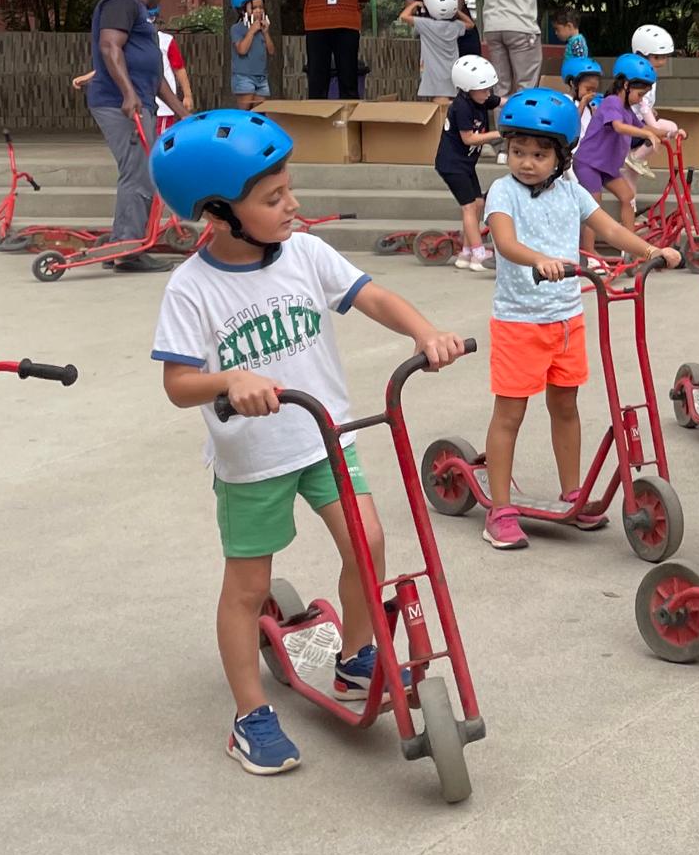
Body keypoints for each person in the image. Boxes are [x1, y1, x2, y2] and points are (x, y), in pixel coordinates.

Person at [148, 111, 466, 777]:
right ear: (217, 214)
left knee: (368, 543)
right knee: (248, 587)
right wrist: (228, 380)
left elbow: (372, 296)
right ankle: (250, 714)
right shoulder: (192, 288)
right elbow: (178, 384)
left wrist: (424, 331)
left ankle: (355, 658)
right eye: (273, 198)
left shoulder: (306, 253)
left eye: (288, 188)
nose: (291, 204)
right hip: (254, 461)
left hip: (328, 437)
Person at [476, 89, 680, 550]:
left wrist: (653, 250)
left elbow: (610, 229)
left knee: (566, 408)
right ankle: (500, 509)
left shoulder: (571, 192)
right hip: (519, 322)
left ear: (561, 156)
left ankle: (572, 493)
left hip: (567, 320)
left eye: (539, 154)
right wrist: (539, 259)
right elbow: (505, 241)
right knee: (510, 414)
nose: (527, 162)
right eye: (518, 151)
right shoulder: (503, 191)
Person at [85, 0, 172, 268]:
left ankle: (123, 244)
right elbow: (110, 46)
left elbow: (155, 77)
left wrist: (184, 113)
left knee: (142, 171)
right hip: (119, 102)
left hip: (138, 100)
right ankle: (128, 250)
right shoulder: (122, 1)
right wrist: (128, 93)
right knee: (138, 173)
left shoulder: (138, 12)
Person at [574, 52, 668, 227]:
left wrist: (670, 134)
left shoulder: (626, 109)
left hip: (606, 166)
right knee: (593, 207)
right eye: (640, 94)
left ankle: (630, 241)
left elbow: (644, 128)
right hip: (589, 163)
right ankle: (587, 245)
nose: (640, 100)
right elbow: (618, 126)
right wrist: (648, 135)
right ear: (626, 85)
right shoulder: (612, 102)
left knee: (627, 197)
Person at [435, 54, 502, 271]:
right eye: (484, 90)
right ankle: (479, 254)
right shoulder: (461, 106)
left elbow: (503, 101)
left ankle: (465, 254)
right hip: (452, 165)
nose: (488, 94)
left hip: (466, 164)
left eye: (489, 89)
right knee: (469, 207)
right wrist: (500, 133)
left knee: (479, 203)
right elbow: (469, 138)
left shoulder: (480, 97)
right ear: (467, 88)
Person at [625, 23, 686, 179]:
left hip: (639, 121)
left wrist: (651, 112)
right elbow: (642, 105)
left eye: (664, 57)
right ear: (641, 55)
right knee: (663, 130)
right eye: (657, 57)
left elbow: (645, 105)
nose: (662, 62)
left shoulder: (650, 74)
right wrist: (654, 127)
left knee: (670, 127)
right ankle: (636, 157)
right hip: (633, 125)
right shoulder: (641, 77)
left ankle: (637, 158)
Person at [403, 0, 480, 101]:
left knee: (440, 101)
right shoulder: (455, 26)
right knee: (448, 98)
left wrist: (415, 4)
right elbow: (470, 24)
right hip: (451, 70)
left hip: (433, 71)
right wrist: (456, 11)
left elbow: (404, 16)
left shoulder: (426, 24)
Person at [229, 0, 274, 102]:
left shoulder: (262, 29)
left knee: (259, 110)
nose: (258, 11)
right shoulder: (237, 28)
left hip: (261, 77)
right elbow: (242, 50)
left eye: (261, 7)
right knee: (246, 110)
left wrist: (266, 33)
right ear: (242, 10)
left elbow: (271, 51)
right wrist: (251, 31)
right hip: (244, 77)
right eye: (254, 8)